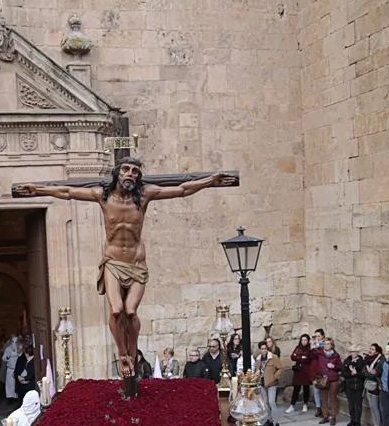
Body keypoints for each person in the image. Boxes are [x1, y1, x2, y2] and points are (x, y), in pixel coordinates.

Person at [16, 159, 234, 396]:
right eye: (126, 169)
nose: (130, 174)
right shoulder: (103, 196)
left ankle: (132, 352)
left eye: (135, 171)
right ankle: (123, 355)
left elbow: (182, 190)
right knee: (116, 310)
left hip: (137, 264)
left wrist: (210, 181)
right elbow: (67, 192)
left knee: (131, 311)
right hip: (112, 263)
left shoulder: (144, 196)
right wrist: (37, 190)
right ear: (117, 173)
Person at [247, 341, 282, 426]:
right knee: (265, 403)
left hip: (271, 383)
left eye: (265, 348)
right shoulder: (258, 359)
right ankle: (269, 420)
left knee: (272, 402)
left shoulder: (273, 357)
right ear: (260, 350)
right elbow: (257, 371)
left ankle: (277, 423)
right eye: (262, 349)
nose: (264, 350)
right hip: (262, 383)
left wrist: (275, 377)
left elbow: (280, 368)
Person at [315, 338, 343, 426]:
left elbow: (340, 367)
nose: (326, 345)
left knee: (333, 398)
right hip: (323, 378)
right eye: (325, 344)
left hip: (333, 378)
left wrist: (333, 366)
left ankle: (333, 417)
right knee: (324, 398)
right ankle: (325, 415)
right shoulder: (320, 353)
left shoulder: (336, 355)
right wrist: (315, 345)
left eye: (328, 344)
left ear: (331, 345)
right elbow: (311, 356)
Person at [286, 334, 315, 414]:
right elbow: (292, 357)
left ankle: (305, 404)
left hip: (306, 371)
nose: (303, 342)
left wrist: (299, 357)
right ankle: (292, 405)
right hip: (298, 371)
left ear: (308, 340)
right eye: (302, 340)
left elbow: (308, 359)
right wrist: (301, 357)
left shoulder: (310, 348)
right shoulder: (298, 347)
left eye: (305, 340)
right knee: (296, 389)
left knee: (306, 388)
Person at [341, 344, 366, 426]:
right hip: (349, 385)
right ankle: (352, 420)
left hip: (358, 385)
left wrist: (357, 373)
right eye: (351, 351)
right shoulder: (347, 361)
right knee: (351, 404)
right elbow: (343, 373)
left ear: (358, 352)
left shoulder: (362, 362)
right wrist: (351, 373)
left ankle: (358, 421)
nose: (352, 353)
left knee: (358, 404)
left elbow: (364, 374)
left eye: (354, 352)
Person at [1, 336, 20, 402]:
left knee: (16, 384)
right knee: (9, 384)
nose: (14, 343)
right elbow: (3, 358)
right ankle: (10, 398)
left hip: (17, 369)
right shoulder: (8, 349)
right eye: (13, 341)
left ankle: (16, 397)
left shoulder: (19, 348)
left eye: (16, 342)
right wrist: (7, 357)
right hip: (10, 369)